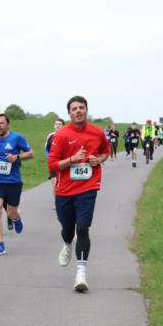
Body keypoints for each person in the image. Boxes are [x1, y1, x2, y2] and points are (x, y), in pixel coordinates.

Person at [47, 95, 110, 293]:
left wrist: (98, 160)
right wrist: (72, 159)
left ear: (86, 110)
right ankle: (67, 243)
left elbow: (105, 153)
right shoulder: (62, 135)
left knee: (82, 229)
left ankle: (81, 273)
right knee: (67, 228)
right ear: (69, 113)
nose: (78, 111)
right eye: (74, 109)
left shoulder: (97, 132)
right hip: (65, 190)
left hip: (88, 188)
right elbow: (52, 164)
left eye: (81, 107)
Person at [0, 113, 33, 255]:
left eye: (2, 123)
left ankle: (16, 218)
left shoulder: (16, 138)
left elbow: (31, 153)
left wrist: (17, 156)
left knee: (11, 212)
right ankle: (0, 244)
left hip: (13, 181)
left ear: (7, 124)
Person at [45, 117, 65, 209]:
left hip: (65, 163)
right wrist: (49, 159)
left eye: (59, 124)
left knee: (64, 183)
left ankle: (66, 201)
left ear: (63, 126)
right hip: (53, 164)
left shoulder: (67, 135)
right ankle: (57, 203)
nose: (57, 126)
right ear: (54, 126)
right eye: (56, 124)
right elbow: (46, 150)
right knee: (55, 183)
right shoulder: (50, 136)